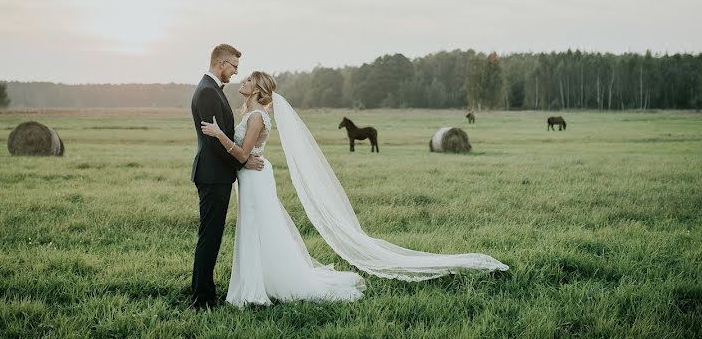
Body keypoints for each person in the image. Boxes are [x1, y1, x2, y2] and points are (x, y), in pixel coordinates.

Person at [201, 70, 508, 308]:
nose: (242, 80)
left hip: (255, 178)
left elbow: (242, 155)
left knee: (260, 230)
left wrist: (217, 135)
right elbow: (246, 154)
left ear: (257, 89)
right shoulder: (250, 112)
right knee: (256, 231)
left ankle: (263, 286)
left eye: (248, 79)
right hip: (253, 178)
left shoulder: (256, 116)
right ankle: (259, 282)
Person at [189, 44, 264, 311]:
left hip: (216, 174)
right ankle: (202, 299)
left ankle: (205, 292)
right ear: (222, 64)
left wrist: (241, 160)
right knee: (210, 236)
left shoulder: (210, 89)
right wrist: (242, 160)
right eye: (234, 67)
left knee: (212, 234)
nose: (235, 73)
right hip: (212, 175)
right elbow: (214, 143)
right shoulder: (208, 92)